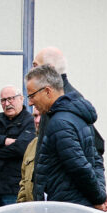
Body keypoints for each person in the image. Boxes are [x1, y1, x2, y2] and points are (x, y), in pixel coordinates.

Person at [26, 63, 107, 207]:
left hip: (65, 212)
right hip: (76, 207)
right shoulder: (77, 116)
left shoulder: (59, 123)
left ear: (47, 91)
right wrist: (99, 194)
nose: (30, 102)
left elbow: (80, 167)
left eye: (32, 95)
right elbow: (95, 160)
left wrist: (99, 198)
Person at [0, 86, 36, 212]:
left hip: (14, 188)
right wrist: (4, 140)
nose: (7, 104)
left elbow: (21, 148)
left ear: (21, 99)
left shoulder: (29, 120)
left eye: (10, 99)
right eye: (3, 100)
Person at [21, 45, 68, 202]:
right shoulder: (52, 106)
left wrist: (97, 196)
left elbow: (91, 152)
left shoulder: (66, 104)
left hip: (60, 205)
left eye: (35, 66)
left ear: (50, 69)